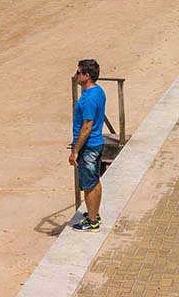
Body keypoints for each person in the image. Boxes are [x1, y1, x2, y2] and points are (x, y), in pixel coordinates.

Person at [69, 58, 106, 232]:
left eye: (78, 73)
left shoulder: (89, 98)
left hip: (88, 146)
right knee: (94, 181)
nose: (75, 75)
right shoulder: (98, 92)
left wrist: (75, 150)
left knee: (88, 185)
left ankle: (92, 222)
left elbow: (87, 126)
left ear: (87, 76)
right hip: (96, 144)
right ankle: (94, 214)